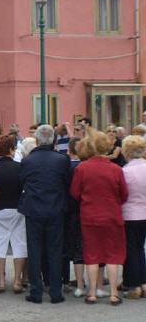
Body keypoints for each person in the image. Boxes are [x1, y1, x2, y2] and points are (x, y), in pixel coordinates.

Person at [70, 130, 128, 306]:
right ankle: (113, 293)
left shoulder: (82, 168)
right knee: (113, 255)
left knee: (92, 254)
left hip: (89, 216)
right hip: (112, 215)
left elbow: (74, 193)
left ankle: (92, 293)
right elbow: (124, 195)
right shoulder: (116, 169)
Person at [19, 124, 70, 304]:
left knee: (34, 250)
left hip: (33, 209)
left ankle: (36, 291)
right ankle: (56, 291)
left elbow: (22, 182)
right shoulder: (62, 160)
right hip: (55, 209)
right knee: (55, 251)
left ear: (38, 140)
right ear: (54, 140)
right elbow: (66, 183)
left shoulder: (27, 161)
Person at [0, 135, 26, 293]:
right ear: (12, 149)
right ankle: (17, 281)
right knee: (20, 244)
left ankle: (2, 281)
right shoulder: (20, 167)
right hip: (17, 209)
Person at [119, 135, 146, 299]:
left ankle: (133, 284)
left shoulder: (125, 171)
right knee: (140, 249)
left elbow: (122, 194)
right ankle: (143, 282)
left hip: (129, 214)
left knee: (131, 250)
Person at [65, 138, 85, 297]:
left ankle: (78, 284)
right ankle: (96, 283)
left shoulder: (68, 167)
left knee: (76, 249)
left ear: (69, 150)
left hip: (71, 212)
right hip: (87, 210)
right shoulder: (86, 166)